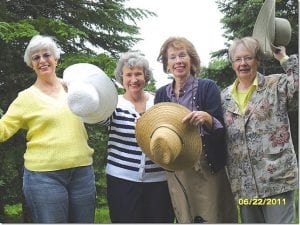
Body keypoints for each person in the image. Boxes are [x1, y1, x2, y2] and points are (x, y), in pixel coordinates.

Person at [0, 35, 96, 223]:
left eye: (46, 55)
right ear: (31, 64)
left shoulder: (74, 88)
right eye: (36, 58)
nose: (42, 60)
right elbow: (3, 129)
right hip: (44, 178)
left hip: (82, 173)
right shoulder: (25, 98)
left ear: (56, 59)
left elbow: (98, 111)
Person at [154, 36, 237, 223]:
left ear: (191, 60)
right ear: (167, 65)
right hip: (176, 164)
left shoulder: (208, 87)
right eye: (172, 57)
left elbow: (221, 128)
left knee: (212, 215)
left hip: (206, 164)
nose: (178, 61)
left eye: (182, 55)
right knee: (185, 215)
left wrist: (208, 118)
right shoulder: (161, 94)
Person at [221, 36, 298, 223]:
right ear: (233, 64)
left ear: (257, 60)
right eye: (238, 59)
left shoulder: (275, 85)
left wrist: (284, 58)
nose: (243, 63)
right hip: (245, 184)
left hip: (277, 180)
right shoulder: (224, 97)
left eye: (248, 58)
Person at [99, 50, 175, 223]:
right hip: (122, 181)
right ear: (121, 78)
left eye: (138, 74)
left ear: (145, 76)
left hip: (159, 180)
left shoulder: (158, 102)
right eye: (129, 74)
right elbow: (98, 119)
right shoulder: (113, 104)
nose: (134, 79)